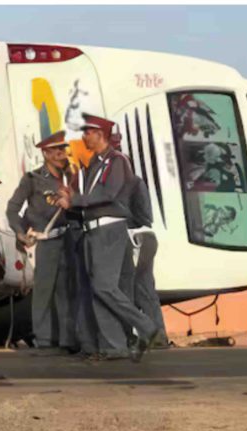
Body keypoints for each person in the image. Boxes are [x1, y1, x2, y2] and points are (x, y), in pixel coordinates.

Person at [57, 113, 161, 362]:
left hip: (108, 230)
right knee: (99, 290)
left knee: (104, 287)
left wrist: (75, 200)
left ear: (100, 135)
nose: (84, 137)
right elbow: (91, 198)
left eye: (88, 133)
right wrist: (70, 203)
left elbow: (109, 193)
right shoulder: (95, 163)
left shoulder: (117, 161)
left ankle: (147, 328)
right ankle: (114, 346)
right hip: (93, 230)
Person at [6, 131, 76, 354]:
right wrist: (19, 232)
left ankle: (67, 339)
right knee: (44, 292)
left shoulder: (71, 176)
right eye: (55, 150)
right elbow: (12, 209)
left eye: (62, 149)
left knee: (66, 291)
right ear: (45, 153)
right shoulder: (33, 179)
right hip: (47, 242)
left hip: (69, 240)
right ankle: (45, 340)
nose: (60, 154)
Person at [125, 175, 170, 348]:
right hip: (145, 237)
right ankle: (156, 335)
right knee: (144, 290)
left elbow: (138, 215)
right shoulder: (135, 181)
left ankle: (154, 335)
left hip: (137, 237)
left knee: (137, 290)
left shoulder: (126, 184)